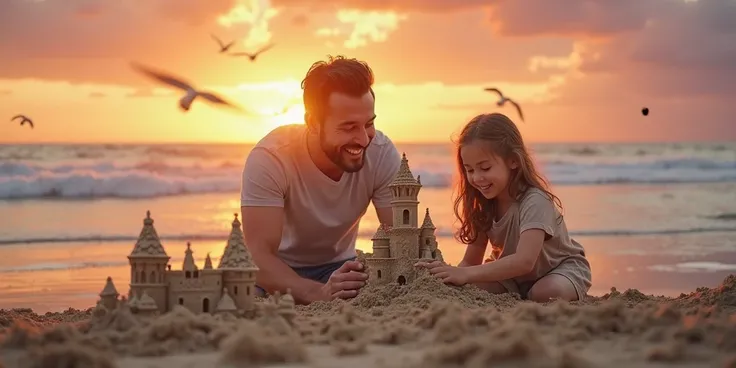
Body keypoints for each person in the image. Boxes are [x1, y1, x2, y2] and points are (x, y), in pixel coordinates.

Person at [240, 55, 402, 305]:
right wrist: (316, 293)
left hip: (340, 269)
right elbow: (258, 257)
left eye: (368, 124)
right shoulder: (271, 158)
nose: (363, 139)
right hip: (274, 274)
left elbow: (401, 239)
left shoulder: (381, 153)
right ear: (313, 123)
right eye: (348, 128)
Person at [415, 113, 592, 302]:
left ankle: (534, 293)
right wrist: (453, 276)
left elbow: (525, 261)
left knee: (545, 292)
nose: (477, 178)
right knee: (469, 287)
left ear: (513, 161)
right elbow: (470, 262)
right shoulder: (483, 205)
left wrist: (465, 274)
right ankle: (523, 294)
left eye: (485, 168)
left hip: (560, 270)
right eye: (470, 170)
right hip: (513, 278)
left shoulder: (535, 200)